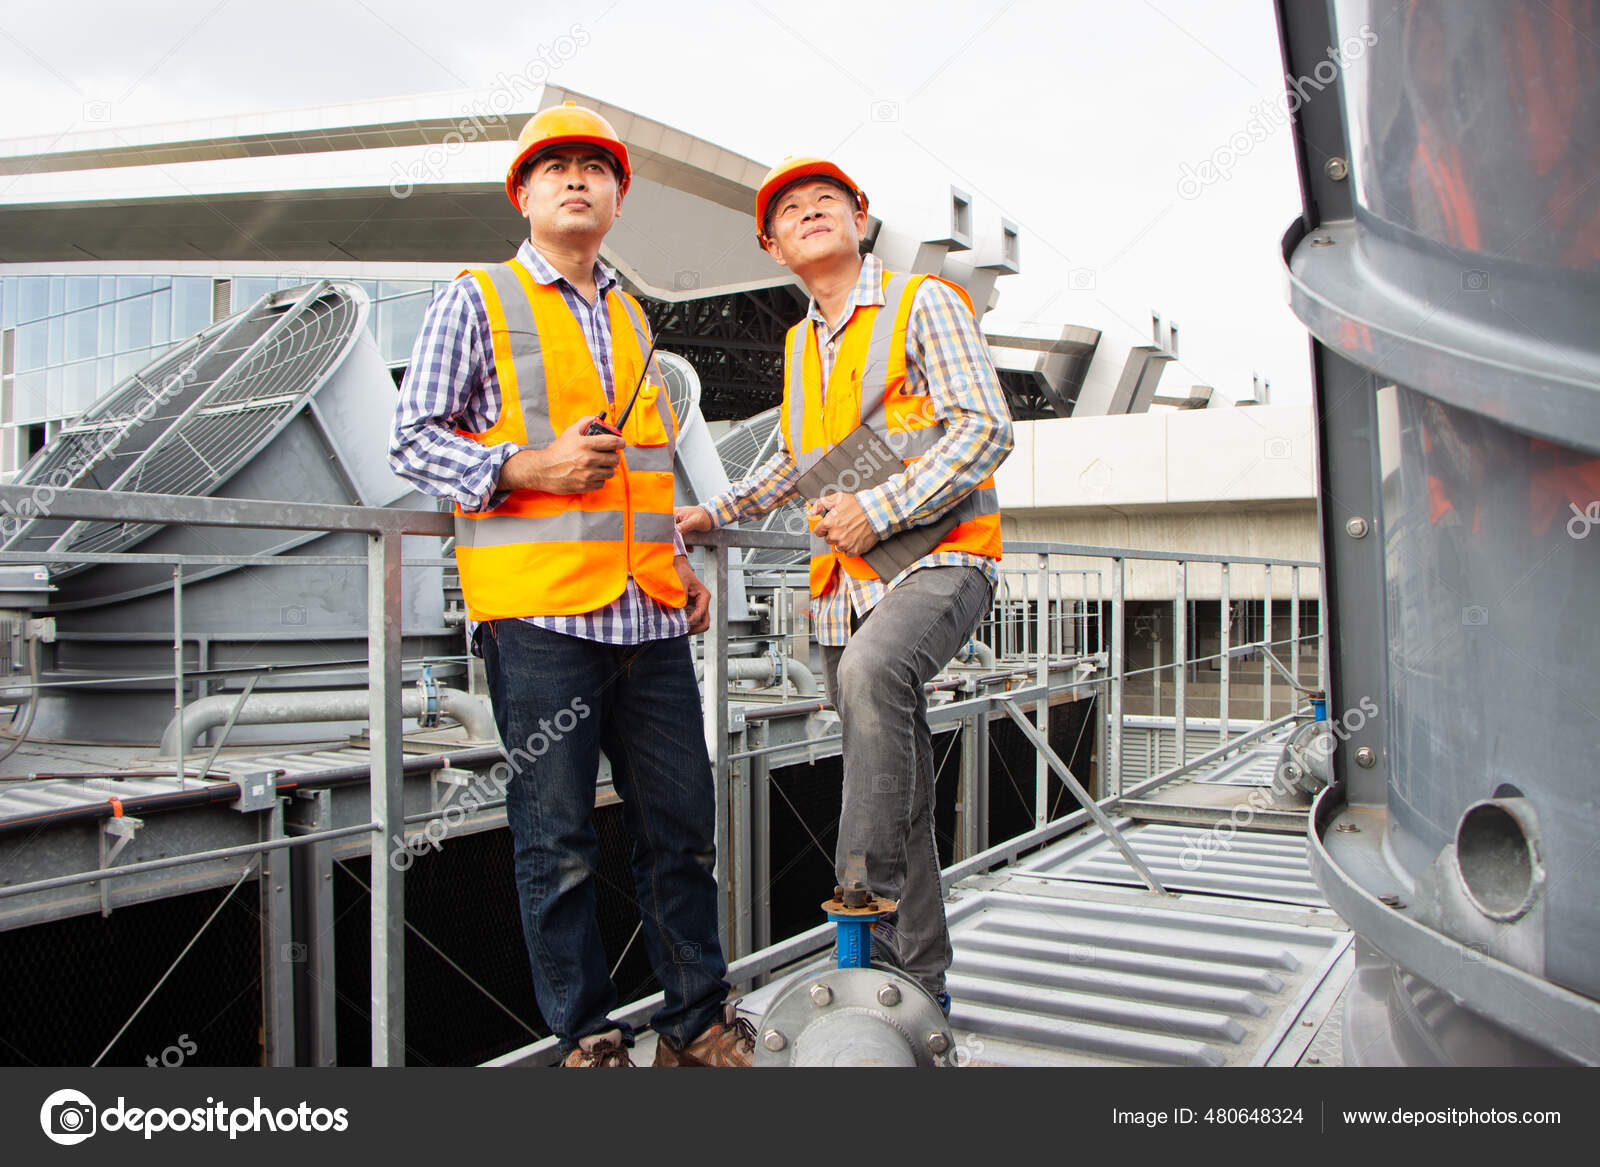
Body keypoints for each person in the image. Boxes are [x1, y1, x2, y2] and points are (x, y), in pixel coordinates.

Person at [390, 103, 752, 1068]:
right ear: (525, 193)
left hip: (648, 617)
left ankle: (697, 1022)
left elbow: (644, 468)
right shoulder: (478, 298)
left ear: (618, 197)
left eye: (597, 168)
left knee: (681, 828)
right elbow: (413, 437)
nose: (578, 180)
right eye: (557, 169)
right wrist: (523, 467)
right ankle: (588, 1039)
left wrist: (673, 563)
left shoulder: (631, 317)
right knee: (558, 843)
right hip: (542, 617)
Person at [676, 156, 1011, 1012]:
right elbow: (797, 460)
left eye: (829, 200)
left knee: (871, 676)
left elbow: (986, 428)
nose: (812, 212)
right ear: (775, 246)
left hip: (942, 560)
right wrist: (714, 513)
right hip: (844, 588)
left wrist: (878, 507)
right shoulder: (799, 344)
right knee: (899, 791)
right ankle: (923, 978)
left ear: (860, 220)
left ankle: (859, 905)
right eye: (792, 210)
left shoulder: (921, 301)